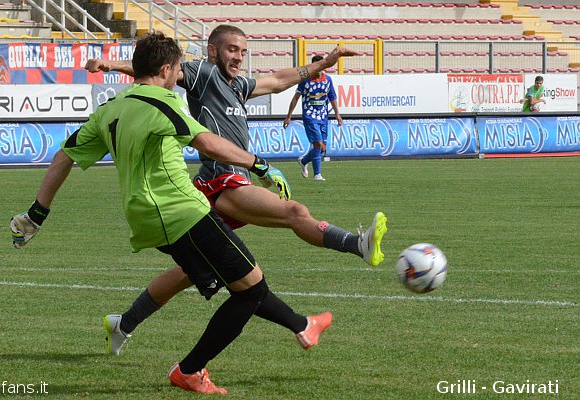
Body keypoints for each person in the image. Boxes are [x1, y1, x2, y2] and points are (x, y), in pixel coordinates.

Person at [10, 33, 330, 395]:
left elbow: (64, 157)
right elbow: (208, 141)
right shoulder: (164, 104)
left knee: (228, 278)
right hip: (181, 212)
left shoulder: (111, 110)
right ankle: (190, 370)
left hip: (144, 218)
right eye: (178, 69)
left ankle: (301, 325)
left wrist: (37, 213)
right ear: (165, 70)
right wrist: (258, 164)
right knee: (251, 290)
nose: (180, 75)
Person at [84, 24, 387, 355]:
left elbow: (278, 81)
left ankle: (123, 323)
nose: (239, 57)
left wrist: (322, 64)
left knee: (191, 272)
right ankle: (357, 245)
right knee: (293, 212)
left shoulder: (238, 85)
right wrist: (113, 67)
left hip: (221, 185)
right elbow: (157, 71)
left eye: (243, 51)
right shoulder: (203, 74)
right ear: (213, 50)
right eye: (232, 50)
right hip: (220, 181)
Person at [283, 55, 342, 181]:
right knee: (318, 144)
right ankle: (317, 174)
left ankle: (304, 161)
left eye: (321, 65)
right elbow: (295, 99)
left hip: (323, 117)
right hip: (310, 116)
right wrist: (288, 116)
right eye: (316, 66)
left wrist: (337, 114)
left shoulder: (328, 80)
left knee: (322, 147)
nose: (318, 68)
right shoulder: (305, 80)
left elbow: (332, 97)